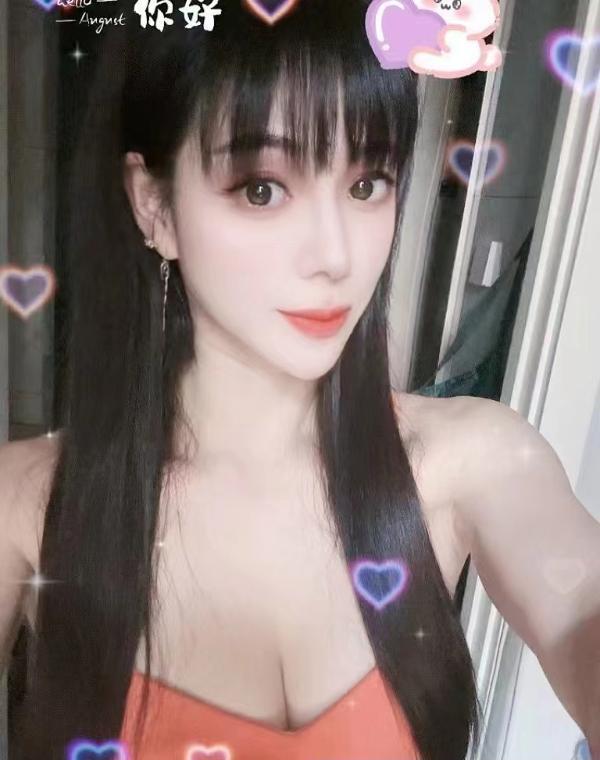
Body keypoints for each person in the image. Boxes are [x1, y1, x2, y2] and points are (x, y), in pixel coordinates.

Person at [1, 1, 599, 759]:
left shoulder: (473, 461)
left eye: (367, 183)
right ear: (156, 207)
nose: (336, 255)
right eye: (263, 189)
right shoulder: (27, 504)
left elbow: (582, 605)